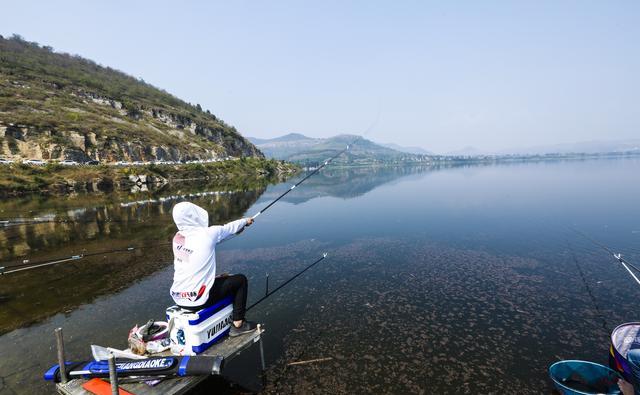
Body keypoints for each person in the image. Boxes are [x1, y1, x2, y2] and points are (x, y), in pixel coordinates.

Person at [170, 201, 256, 337]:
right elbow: (229, 228)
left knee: (224, 277)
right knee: (240, 280)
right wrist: (246, 221)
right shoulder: (208, 233)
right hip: (198, 300)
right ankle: (238, 324)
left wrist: (215, 278)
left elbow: (193, 267)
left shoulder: (177, 238)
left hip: (178, 298)